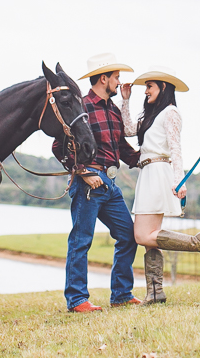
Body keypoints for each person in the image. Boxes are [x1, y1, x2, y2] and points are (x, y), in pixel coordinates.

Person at [120, 66, 200, 305]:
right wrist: (126, 101)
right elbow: (127, 130)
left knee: (142, 235)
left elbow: (176, 148)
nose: (146, 91)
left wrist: (179, 180)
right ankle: (155, 293)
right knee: (151, 236)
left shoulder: (171, 113)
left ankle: (197, 243)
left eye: (150, 86)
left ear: (163, 87)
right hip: (147, 174)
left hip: (158, 174)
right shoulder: (152, 116)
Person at [52, 53, 141, 312]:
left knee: (128, 236)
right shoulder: (83, 108)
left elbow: (122, 148)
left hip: (110, 185)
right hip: (88, 182)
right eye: (116, 78)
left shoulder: (113, 110)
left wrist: (152, 159)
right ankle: (77, 299)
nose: (119, 82)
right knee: (81, 240)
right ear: (104, 78)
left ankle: (121, 294)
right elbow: (59, 146)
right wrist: (80, 170)